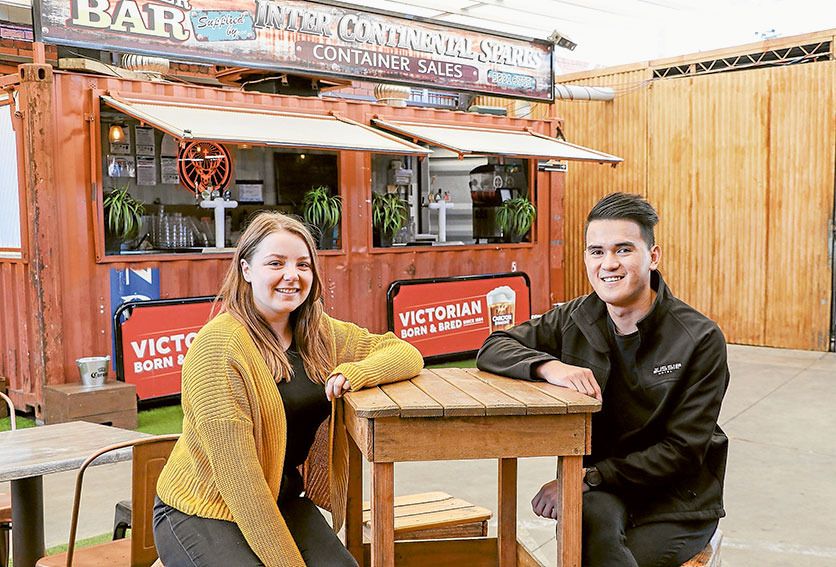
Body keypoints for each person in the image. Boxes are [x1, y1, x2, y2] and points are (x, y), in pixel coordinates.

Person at [153, 212, 424, 567]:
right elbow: (243, 487)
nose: (291, 276)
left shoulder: (318, 332)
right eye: (275, 263)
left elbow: (406, 354)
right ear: (247, 270)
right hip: (203, 508)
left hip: (280, 494)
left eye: (303, 264)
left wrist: (354, 373)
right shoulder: (218, 349)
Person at [477, 193, 728, 567]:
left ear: (652, 257)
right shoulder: (575, 317)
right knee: (589, 539)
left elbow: (683, 451)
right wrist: (551, 367)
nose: (608, 264)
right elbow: (494, 346)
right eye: (597, 252)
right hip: (603, 492)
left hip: (677, 499)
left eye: (623, 250)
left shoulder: (699, 338)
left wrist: (586, 477)